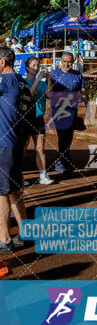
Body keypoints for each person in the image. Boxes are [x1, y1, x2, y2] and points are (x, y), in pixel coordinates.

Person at [0, 46, 35, 252]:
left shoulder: (5, 81)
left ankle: (4, 239)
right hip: (15, 143)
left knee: (2, 193)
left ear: (2, 63)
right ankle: (25, 232)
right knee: (14, 190)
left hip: (4, 144)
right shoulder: (23, 83)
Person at [50, 52, 89, 174]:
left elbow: (82, 91)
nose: (67, 64)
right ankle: (61, 161)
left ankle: (64, 159)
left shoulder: (77, 75)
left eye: (70, 61)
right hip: (58, 109)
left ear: (73, 62)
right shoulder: (54, 74)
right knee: (62, 136)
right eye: (65, 61)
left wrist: (87, 105)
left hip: (72, 109)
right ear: (60, 61)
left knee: (69, 137)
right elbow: (49, 92)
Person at [23, 56, 54, 185]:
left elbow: (50, 95)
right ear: (27, 68)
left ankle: (43, 175)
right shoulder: (23, 82)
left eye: (38, 65)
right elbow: (29, 95)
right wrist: (39, 79)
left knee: (40, 148)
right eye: (33, 65)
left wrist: (49, 80)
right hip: (25, 118)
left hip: (38, 118)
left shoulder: (42, 83)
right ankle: (19, 176)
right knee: (22, 148)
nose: (36, 68)